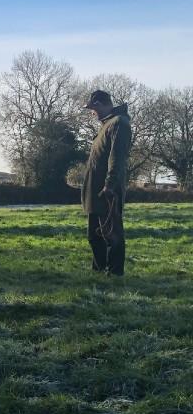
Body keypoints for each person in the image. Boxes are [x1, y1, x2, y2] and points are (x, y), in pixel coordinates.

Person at [81, 90, 131, 276]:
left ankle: (115, 273)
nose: (92, 112)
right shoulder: (107, 124)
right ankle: (100, 270)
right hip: (96, 190)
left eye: (93, 108)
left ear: (101, 104)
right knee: (94, 235)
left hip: (107, 190)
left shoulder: (119, 123)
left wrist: (110, 185)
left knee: (112, 234)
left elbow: (116, 158)